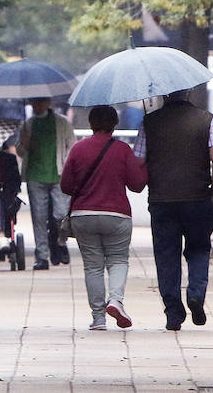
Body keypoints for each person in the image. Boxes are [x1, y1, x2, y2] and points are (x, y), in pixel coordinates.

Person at [133, 88, 213, 331]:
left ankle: (173, 312)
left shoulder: (150, 122)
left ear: (164, 95)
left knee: (166, 256)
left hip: (162, 200)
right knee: (198, 249)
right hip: (198, 197)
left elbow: (138, 161)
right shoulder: (206, 119)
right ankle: (196, 294)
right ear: (188, 92)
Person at [60, 105, 148, 331]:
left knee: (93, 267)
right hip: (116, 214)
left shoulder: (78, 149)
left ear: (90, 123)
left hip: (83, 215)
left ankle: (98, 318)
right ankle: (116, 300)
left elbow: (66, 186)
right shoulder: (122, 150)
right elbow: (137, 185)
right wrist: (145, 166)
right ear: (115, 124)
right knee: (118, 260)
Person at [18, 96, 77, 269]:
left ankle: (60, 242)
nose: (36, 105)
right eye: (33, 102)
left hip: (59, 175)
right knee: (39, 217)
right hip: (35, 176)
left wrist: (69, 168)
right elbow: (21, 151)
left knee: (60, 215)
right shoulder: (27, 125)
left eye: (40, 102)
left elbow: (71, 147)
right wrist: (24, 143)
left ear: (48, 103)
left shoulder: (62, 123)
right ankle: (42, 255)